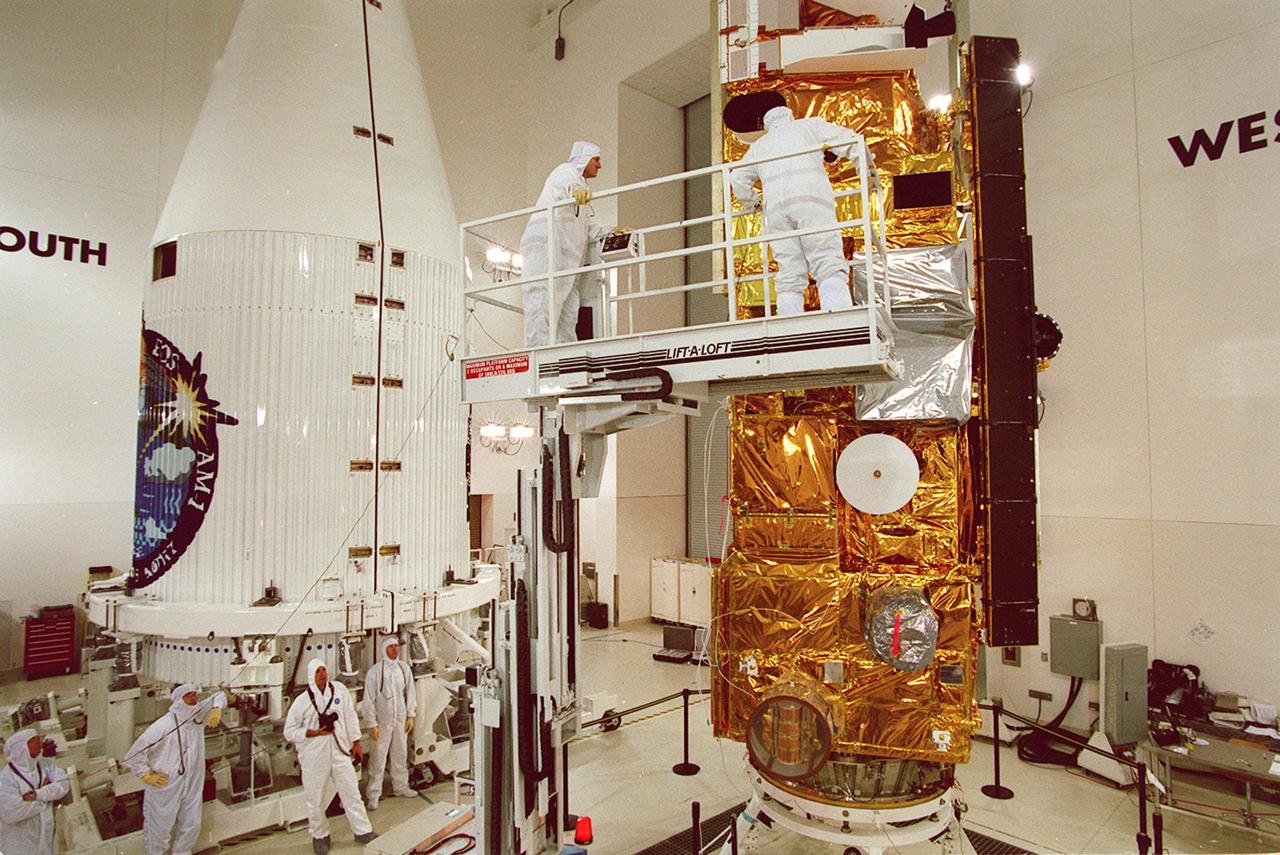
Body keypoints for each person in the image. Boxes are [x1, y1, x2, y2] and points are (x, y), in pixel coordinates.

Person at [729, 105, 860, 316]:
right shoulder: (810, 126)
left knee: (789, 270)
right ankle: (838, 318)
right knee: (827, 261)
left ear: (766, 124)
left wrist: (752, 204)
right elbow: (849, 140)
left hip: (775, 211)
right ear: (790, 116)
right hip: (811, 200)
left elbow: (736, 178)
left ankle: (789, 326)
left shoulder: (760, 145)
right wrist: (866, 170)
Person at [521, 140, 608, 346]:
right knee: (541, 305)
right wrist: (575, 191)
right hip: (545, 251)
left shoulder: (583, 195)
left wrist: (611, 232)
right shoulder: (565, 172)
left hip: (567, 263)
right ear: (584, 159)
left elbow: (586, 226)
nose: (599, 165)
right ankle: (539, 360)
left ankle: (565, 361)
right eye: (596, 159)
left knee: (568, 313)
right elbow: (567, 187)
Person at [284, 659, 375, 855]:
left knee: (351, 792)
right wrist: (311, 733)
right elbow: (289, 731)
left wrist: (356, 741)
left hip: (340, 751)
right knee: (315, 798)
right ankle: (320, 835)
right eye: (318, 671)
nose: (322, 674)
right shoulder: (302, 701)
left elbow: (350, 716)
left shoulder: (339, 690)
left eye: (324, 669)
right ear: (311, 675)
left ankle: (362, 830)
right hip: (314, 756)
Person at [124, 683, 226, 855]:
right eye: (189, 695)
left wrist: (216, 708)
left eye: (195, 694)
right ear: (179, 699)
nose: (194, 698)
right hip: (166, 782)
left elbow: (220, 695)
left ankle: (182, 852)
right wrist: (145, 774)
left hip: (192, 780)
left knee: (191, 821)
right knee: (160, 824)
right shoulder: (163, 725)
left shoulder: (197, 716)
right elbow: (133, 755)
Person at [362, 635, 418, 810]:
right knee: (378, 758)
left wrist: (411, 715)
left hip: (400, 720)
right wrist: (371, 724)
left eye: (396, 646)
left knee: (400, 754)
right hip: (382, 722)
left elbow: (410, 692)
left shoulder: (403, 668)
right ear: (384, 650)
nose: (395, 650)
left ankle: (401, 786)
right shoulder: (375, 672)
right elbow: (368, 699)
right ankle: (373, 794)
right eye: (391, 647)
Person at [0, 729, 69, 855]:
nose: (40, 742)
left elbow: (64, 784)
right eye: (34, 740)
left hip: (48, 840)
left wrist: (36, 795)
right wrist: (45, 800)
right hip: (20, 846)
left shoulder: (45, 765)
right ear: (22, 747)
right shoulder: (5, 779)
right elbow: (11, 813)